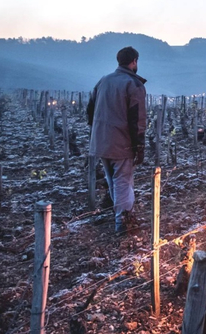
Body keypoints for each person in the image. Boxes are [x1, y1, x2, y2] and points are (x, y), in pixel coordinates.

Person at [87, 46, 147, 233]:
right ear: (134, 61)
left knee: (113, 181)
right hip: (122, 143)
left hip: (101, 142)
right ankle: (123, 224)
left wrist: (99, 131)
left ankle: (121, 218)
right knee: (122, 182)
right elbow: (137, 118)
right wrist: (139, 145)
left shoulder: (103, 81)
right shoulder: (133, 85)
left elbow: (89, 111)